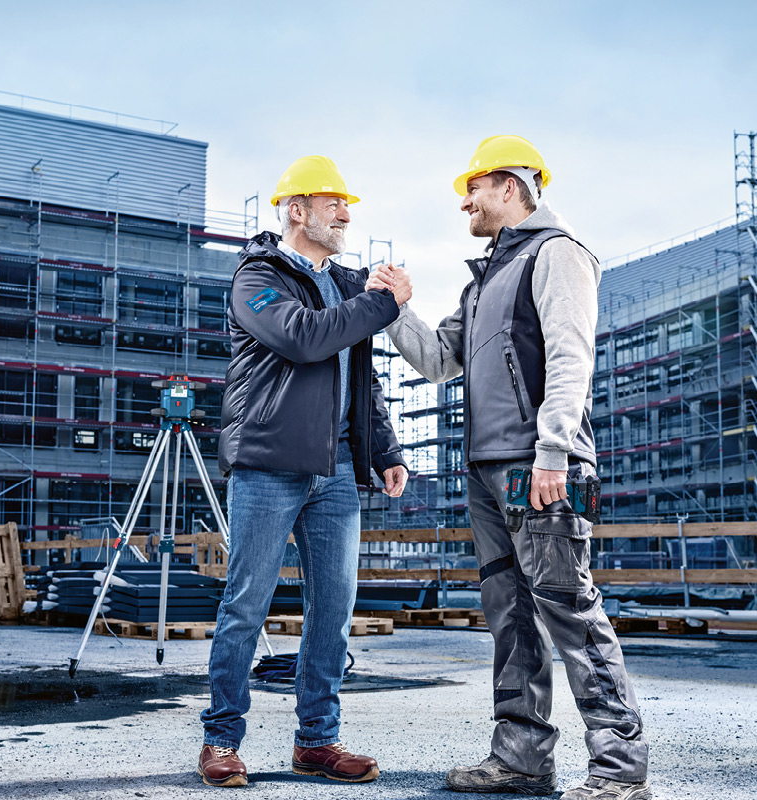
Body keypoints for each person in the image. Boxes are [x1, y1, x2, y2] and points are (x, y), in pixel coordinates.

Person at [368, 136, 650, 800]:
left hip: (539, 467)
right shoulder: (487, 276)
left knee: (570, 614)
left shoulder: (558, 254)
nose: (464, 200)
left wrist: (554, 452)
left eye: (473, 186)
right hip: (488, 471)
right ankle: (521, 756)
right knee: (510, 616)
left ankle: (620, 769)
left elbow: (572, 356)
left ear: (510, 187)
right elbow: (438, 360)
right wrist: (396, 307)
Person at [199, 155, 410, 787]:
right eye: (334, 203)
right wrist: (382, 303)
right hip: (268, 466)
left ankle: (317, 740)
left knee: (333, 609)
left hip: (337, 471)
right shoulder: (256, 277)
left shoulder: (346, 284)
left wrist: (386, 449)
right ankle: (221, 739)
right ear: (297, 210)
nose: (346, 214)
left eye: (346, 204)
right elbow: (305, 339)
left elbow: (359, 378)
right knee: (247, 604)